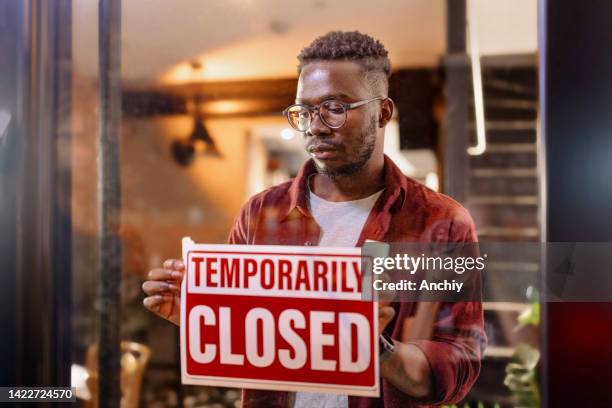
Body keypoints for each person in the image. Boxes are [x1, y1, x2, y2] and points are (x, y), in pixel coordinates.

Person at [142, 31, 485, 408]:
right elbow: (258, 339)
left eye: (335, 107)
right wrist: (203, 319)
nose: (315, 126)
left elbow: (456, 366)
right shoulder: (259, 214)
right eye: (304, 111)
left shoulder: (442, 222)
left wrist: (377, 348)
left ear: (383, 112)